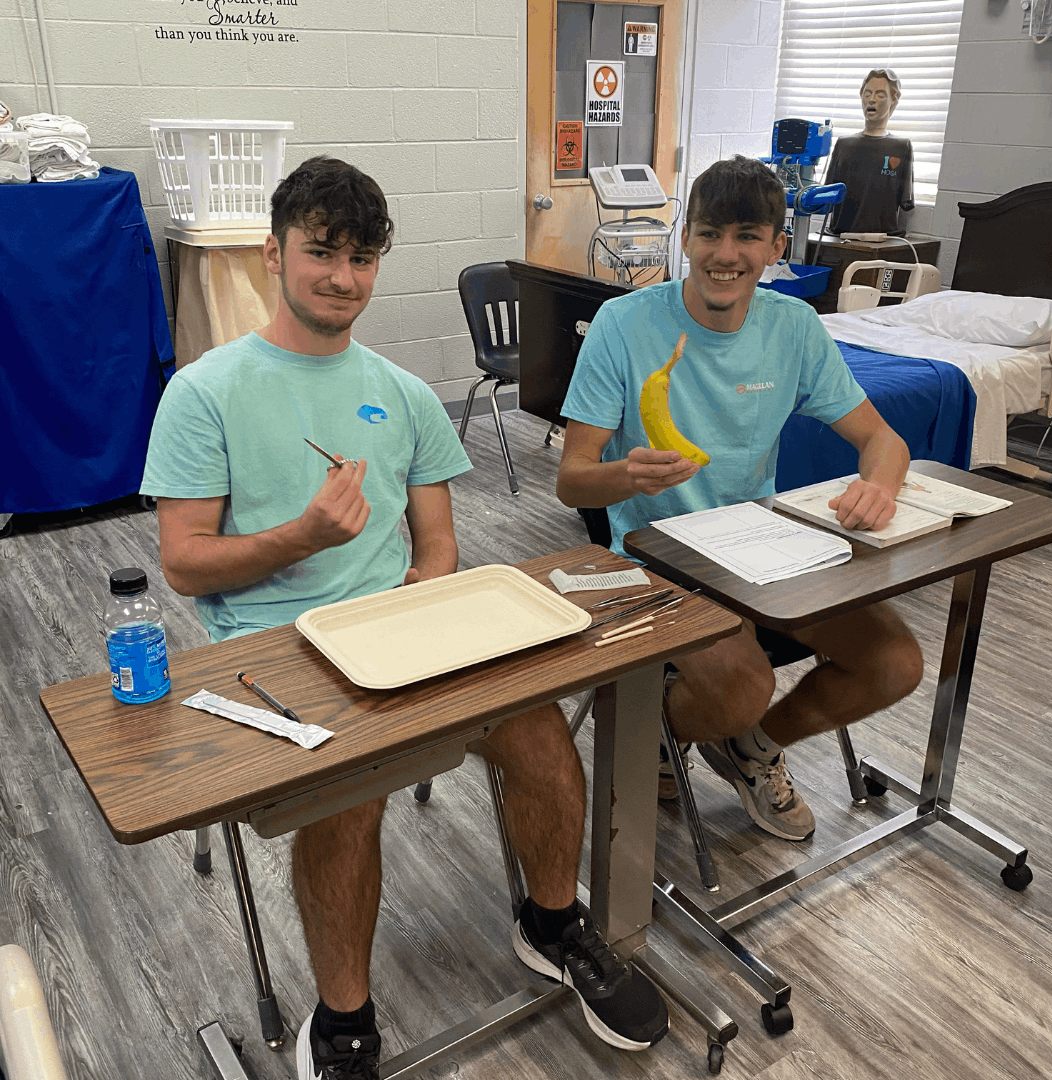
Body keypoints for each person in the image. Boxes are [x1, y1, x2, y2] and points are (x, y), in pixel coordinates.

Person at [140, 156, 668, 1080]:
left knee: (543, 733)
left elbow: (437, 547)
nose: (344, 277)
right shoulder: (204, 393)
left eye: (363, 258)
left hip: (404, 634)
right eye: (322, 253)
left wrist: (426, 614)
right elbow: (184, 564)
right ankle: (344, 1022)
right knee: (351, 798)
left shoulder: (406, 392)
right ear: (274, 253)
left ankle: (552, 924)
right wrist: (299, 536)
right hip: (270, 655)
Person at [556, 155, 923, 843]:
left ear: (777, 247)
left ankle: (747, 746)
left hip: (761, 554)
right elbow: (572, 478)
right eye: (710, 234)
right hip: (652, 561)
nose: (725, 255)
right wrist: (626, 475)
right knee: (741, 680)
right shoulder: (623, 324)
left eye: (748, 235)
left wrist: (879, 485)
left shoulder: (794, 327)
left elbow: (885, 442)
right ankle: (671, 727)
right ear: (686, 237)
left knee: (895, 662)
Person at [824, 68, 915, 236]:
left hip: (882, 239)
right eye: (867, 94)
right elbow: (828, 194)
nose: (872, 100)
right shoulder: (844, 144)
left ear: (893, 100)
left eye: (880, 95)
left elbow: (906, 202)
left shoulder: (901, 147)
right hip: (840, 236)